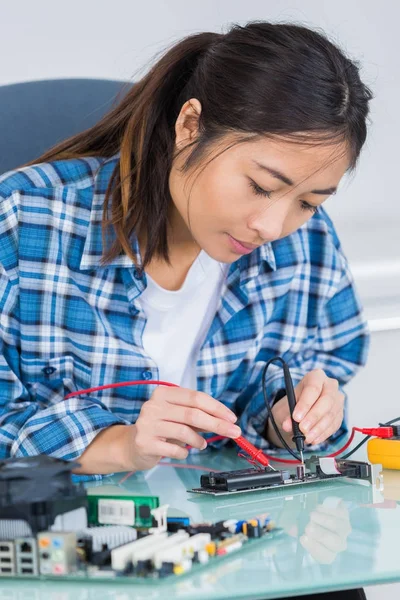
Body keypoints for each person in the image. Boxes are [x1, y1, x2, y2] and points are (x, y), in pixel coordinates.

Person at [0, 22, 371, 479]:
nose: (272, 227)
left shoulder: (307, 241)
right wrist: (122, 445)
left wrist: (292, 418)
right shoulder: (23, 220)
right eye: (259, 186)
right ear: (190, 126)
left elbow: (323, 364)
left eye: (309, 202)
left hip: (231, 536)